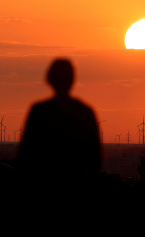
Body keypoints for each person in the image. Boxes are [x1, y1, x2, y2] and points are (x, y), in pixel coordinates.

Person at [17, 58, 102, 188]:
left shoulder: (39, 111)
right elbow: (95, 157)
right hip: (77, 183)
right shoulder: (85, 112)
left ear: (49, 79)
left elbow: (25, 154)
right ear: (72, 80)